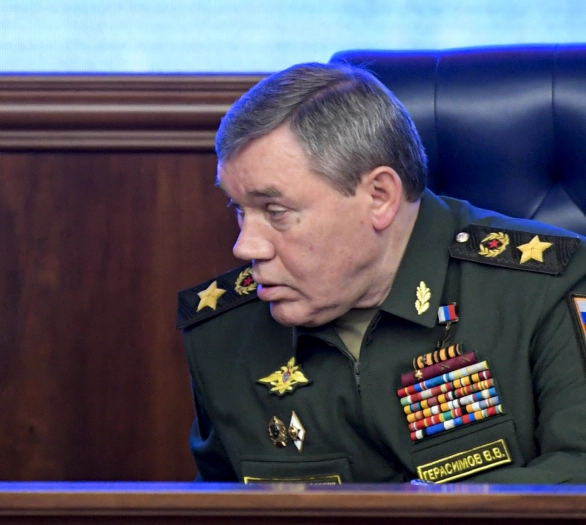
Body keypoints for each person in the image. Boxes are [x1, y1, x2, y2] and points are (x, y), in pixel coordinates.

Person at [178, 62, 586, 484]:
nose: (245, 247)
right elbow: (215, 507)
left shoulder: (549, 287)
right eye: (239, 209)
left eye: (276, 211)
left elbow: (579, 478)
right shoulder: (223, 334)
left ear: (379, 196)